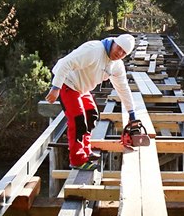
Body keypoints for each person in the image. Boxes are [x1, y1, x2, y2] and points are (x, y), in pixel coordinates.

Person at [45, 34, 137, 171]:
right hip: (67, 83)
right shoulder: (94, 50)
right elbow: (65, 63)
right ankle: (77, 160)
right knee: (78, 120)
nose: (120, 53)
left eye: (124, 53)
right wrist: (55, 88)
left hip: (82, 88)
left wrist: (132, 113)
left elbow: (123, 88)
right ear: (114, 43)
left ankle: (86, 150)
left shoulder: (117, 66)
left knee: (91, 114)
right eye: (119, 48)